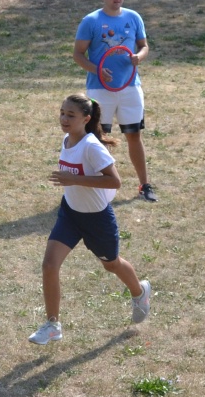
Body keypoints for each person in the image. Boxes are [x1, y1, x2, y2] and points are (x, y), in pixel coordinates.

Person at [29, 94, 152, 345]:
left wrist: (74, 179)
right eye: (62, 113)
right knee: (49, 265)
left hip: (97, 219)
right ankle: (52, 325)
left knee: (111, 264)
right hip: (70, 214)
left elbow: (114, 181)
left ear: (86, 119)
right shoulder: (67, 140)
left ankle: (140, 292)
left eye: (70, 115)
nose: (64, 119)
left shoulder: (91, 147)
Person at [74, 0, 155, 201]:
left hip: (130, 86)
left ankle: (144, 185)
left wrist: (139, 56)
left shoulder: (133, 17)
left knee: (134, 135)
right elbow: (78, 54)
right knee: (96, 138)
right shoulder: (91, 21)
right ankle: (96, 187)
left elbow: (144, 46)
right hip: (100, 89)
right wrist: (97, 70)